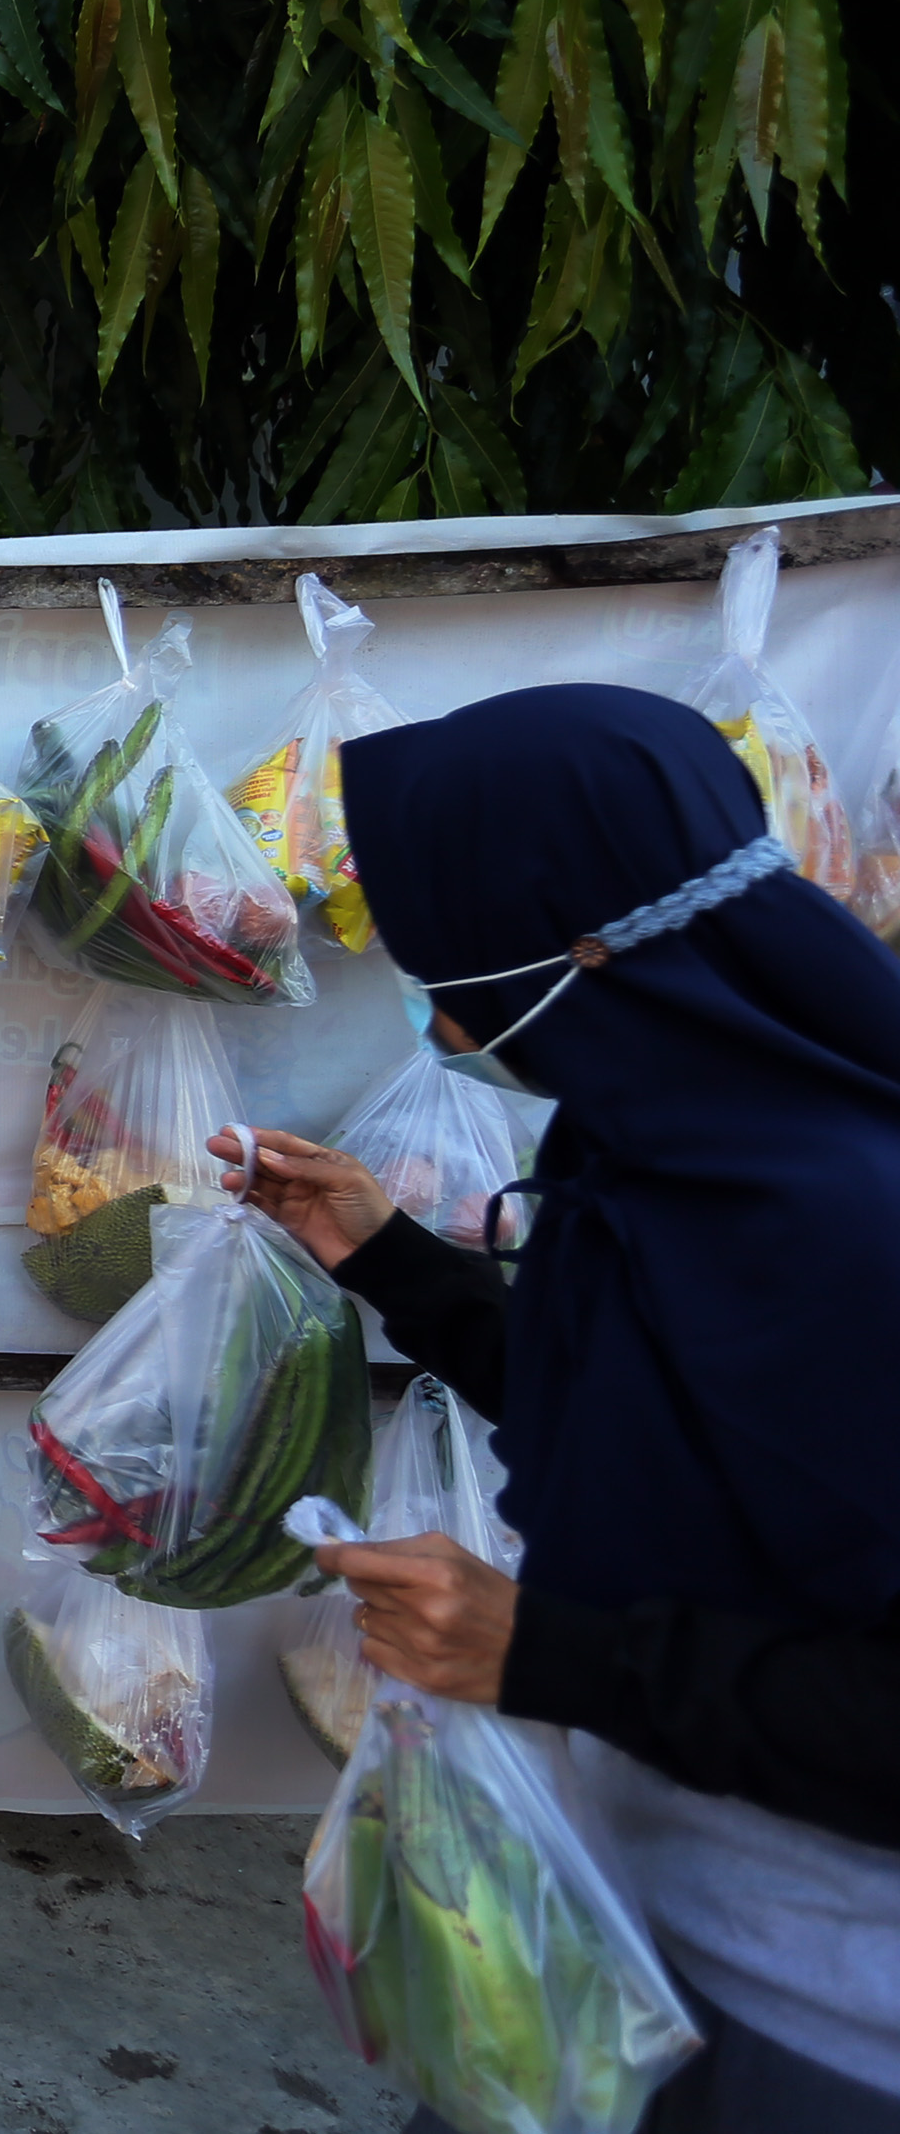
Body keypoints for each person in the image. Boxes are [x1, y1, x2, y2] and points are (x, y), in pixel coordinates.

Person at [210, 681, 900, 2132]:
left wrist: (560, 1655)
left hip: (824, 2030)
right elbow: (685, 1440)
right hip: (616, 1930)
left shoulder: (855, 1233)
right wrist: (386, 1254)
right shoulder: (670, 1162)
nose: (434, 1001)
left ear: (583, 946)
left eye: (444, 955)